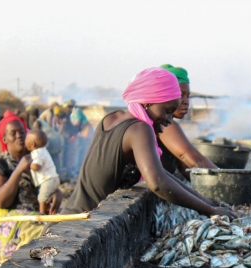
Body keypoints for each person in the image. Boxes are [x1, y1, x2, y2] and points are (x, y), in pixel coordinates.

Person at [60, 67, 235, 220]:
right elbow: (157, 182)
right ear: (148, 101)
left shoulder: (111, 119)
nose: (168, 120)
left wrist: (205, 200)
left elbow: (163, 174)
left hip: (68, 216)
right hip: (81, 222)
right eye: (167, 111)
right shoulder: (140, 129)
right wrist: (210, 210)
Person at [0, 113, 63, 268]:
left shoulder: (37, 160)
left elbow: (47, 184)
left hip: (38, 216)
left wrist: (56, 193)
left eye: (22, 132)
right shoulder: (1, 163)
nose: (19, 137)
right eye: (13, 133)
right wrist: (18, 171)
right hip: (14, 219)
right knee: (46, 237)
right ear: (4, 140)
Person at [156, 64, 218, 180]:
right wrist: (230, 179)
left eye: (187, 96)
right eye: (180, 95)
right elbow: (196, 161)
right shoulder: (163, 123)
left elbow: (184, 166)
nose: (186, 102)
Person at [25, 130, 60, 214]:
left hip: (48, 180)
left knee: (42, 197)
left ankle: (42, 213)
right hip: (53, 178)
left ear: (33, 144)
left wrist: (29, 164)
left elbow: (37, 166)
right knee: (47, 196)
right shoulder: (43, 150)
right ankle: (49, 211)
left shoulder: (38, 153)